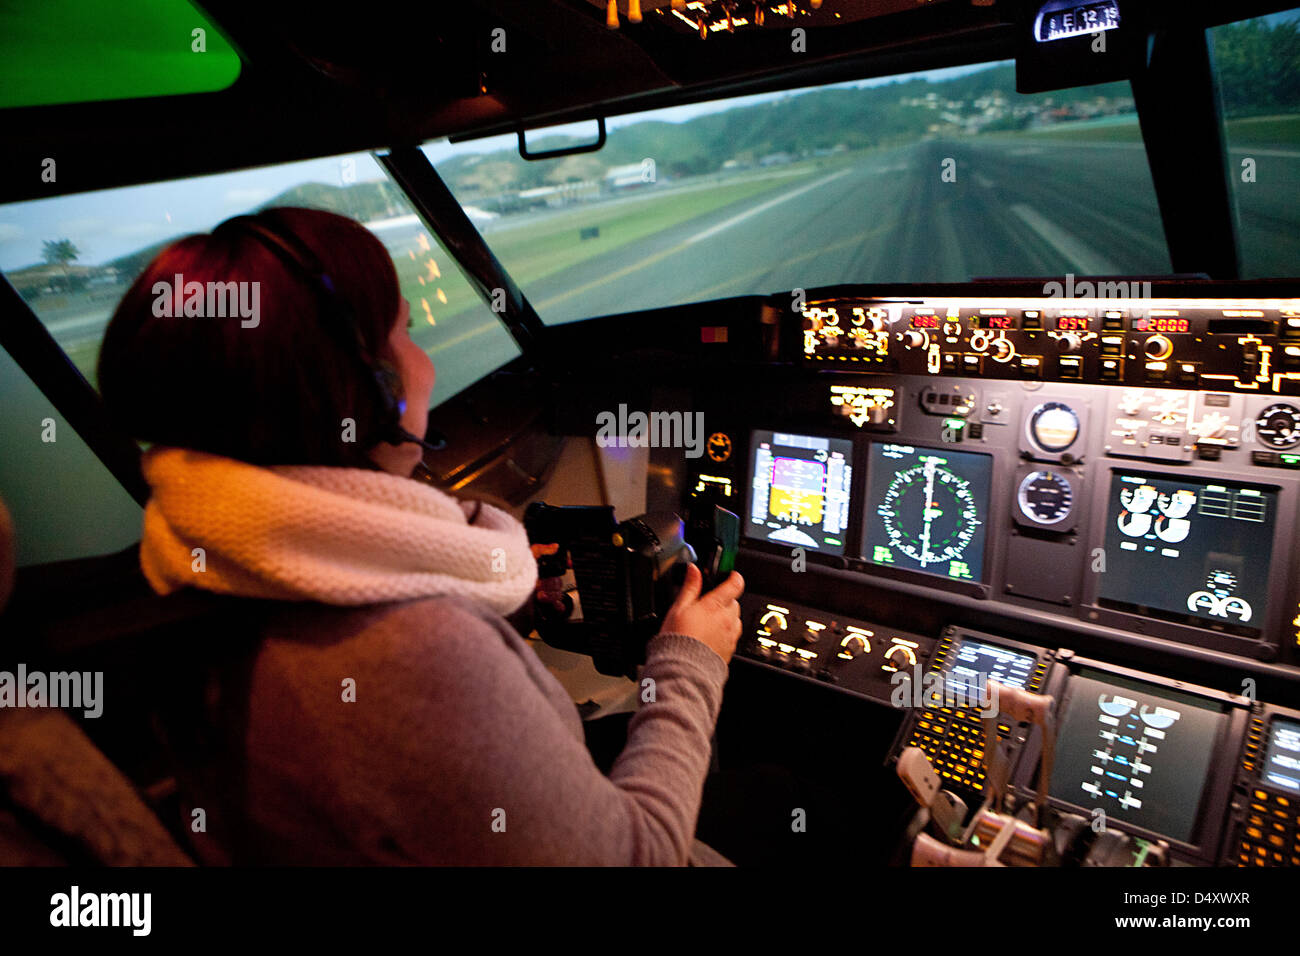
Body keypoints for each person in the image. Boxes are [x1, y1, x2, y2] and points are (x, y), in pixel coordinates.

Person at [95, 206, 744, 865]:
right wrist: (691, 660)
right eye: (404, 332)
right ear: (368, 386)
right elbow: (643, 858)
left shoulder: (189, 562)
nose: (423, 360)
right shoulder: (414, 655)